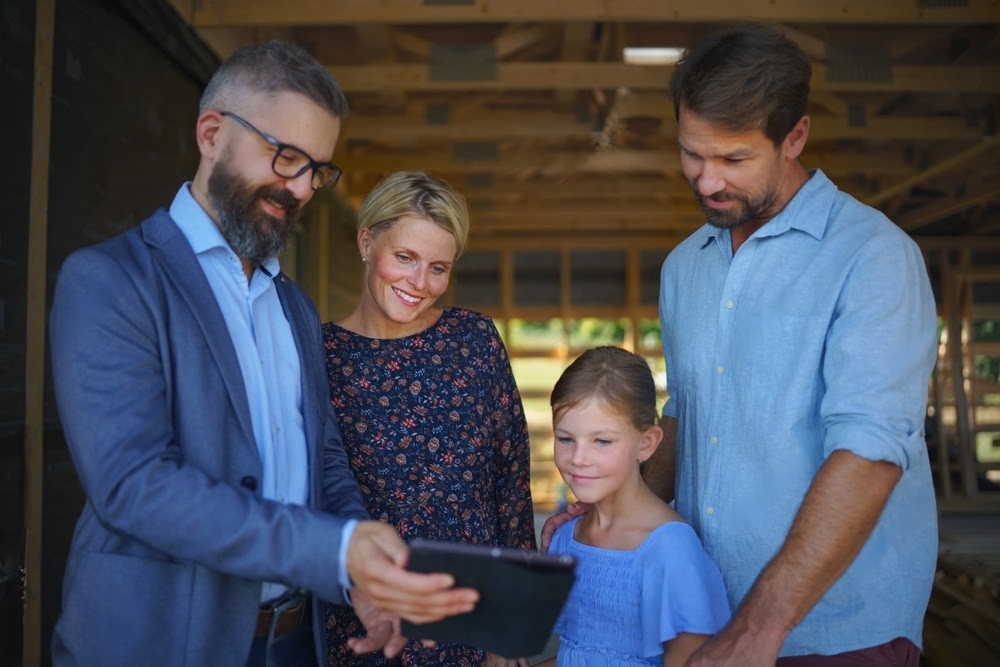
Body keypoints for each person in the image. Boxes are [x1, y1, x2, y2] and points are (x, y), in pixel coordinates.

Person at [48, 41, 478, 667]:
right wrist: (335, 549)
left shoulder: (294, 306)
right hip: (158, 644)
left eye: (318, 170)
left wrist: (363, 579)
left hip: (297, 643)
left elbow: (324, 459)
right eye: (285, 157)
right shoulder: (110, 280)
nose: (301, 188)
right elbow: (134, 485)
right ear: (212, 133)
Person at [544, 23, 938, 666]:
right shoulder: (685, 267)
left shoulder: (873, 257)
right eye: (692, 154)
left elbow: (870, 452)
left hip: (837, 632)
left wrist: (761, 627)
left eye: (733, 159)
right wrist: (608, 498)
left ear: (796, 138)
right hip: (708, 617)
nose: (705, 181)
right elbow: (685, 417)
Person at [322, 171, 537, 666]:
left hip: (472, 623)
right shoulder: (319, 354)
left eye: (438, 267)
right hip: (363, 622)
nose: (420, 284)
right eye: (404, 258)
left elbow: (511, 483)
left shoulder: (474, 339)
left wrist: (514, 624)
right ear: (365, 240)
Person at [537, 347, 730, 667]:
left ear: (647, 443)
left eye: (602, 441)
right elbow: (581, 656)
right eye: (566, 439)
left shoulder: (670, 550)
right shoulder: (566, 538)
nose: (579, 458)